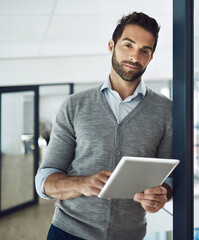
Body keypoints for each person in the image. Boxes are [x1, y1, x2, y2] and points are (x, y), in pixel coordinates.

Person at [35, 12, 173, 240]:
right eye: (128, 45)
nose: (134, 56)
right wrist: (82, 183)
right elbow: (45, 180)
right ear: (111, 46)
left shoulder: (166, 111)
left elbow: (169, 179)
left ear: (150, 57)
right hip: (68, 232)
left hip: (130, 235)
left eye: (144, 51)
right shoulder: (74, 106)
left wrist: (161, 194)